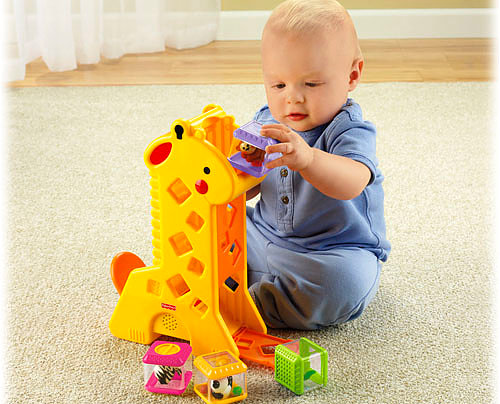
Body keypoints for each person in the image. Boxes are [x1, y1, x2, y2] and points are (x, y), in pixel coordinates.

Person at [244, 0, 391, 330]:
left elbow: (353, 181)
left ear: (351, 76)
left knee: (342, 284)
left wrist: (309, 159)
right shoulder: (265, 122)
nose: (292, 97)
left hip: (332, 253)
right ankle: (197, 286)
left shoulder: (349, 129)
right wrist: (231, 175)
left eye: (310, 84)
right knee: (216, 228)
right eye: (278, 85)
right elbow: (244, 189)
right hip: (264, 236)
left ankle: (248, 305)